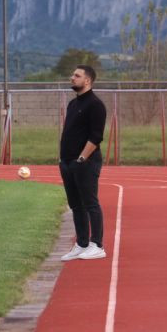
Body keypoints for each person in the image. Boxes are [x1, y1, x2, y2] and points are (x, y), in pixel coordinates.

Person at [59, 65, 107, 261]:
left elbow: (96, 137)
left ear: (87, 80)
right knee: (76, 205)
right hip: (67, 162)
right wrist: (63, 160)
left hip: (85, 163)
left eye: (77, 75)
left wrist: (81, 159)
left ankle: (97, 245)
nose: (72, 78)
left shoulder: (95, 105)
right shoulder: (73, 104)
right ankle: (82, 243)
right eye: (73, 74)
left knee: (90, 203)